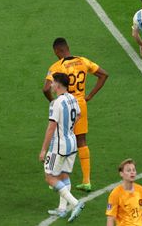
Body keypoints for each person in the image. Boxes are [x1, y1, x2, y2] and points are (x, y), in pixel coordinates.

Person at [43, 37, 108, 192]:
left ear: (56, 51)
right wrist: (90, 95)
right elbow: (103, 75)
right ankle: (86, 181)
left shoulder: (57, 67)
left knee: (60, 138)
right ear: (68, 47)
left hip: (64, 105)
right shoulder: (83, 61)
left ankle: (57, 177)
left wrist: (53, 102)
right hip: (80, 105)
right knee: (81, 140)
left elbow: (46, 89)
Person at [40, 73, 85, 222]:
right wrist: (68, 127)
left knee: (49, 177)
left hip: (59, 146)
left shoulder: (56, 103)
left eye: (52, 83)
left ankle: (75, 203)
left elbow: (51, 128)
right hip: (72, 142)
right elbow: (79, 115)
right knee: (64, 175)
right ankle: (62, 209)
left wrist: (43, 150)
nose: (51, 85)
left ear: (58, 85)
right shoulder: (72, 98)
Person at [106, 159, 142, 226]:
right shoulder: (115, 194)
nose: (132, 172)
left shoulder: (140, 189)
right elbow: (110, 218)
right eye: (128, 170)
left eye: (134, 170)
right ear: (121, 174)